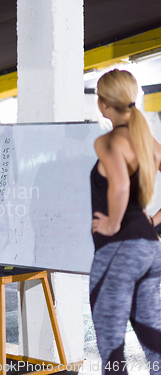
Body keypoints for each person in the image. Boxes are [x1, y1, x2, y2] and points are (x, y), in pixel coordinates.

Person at [90, 69, 161, 374]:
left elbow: (119, 187)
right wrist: (154, 223)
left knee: (112, 348)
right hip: (150, 249)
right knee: (154, 339)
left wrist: (111, 225)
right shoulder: (146, 141)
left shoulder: (108, 141)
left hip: (117, 251)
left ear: (103, 104)